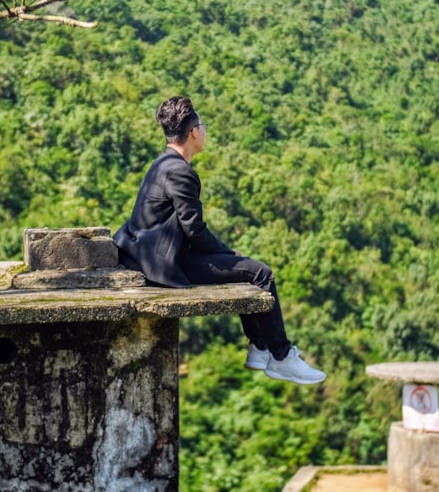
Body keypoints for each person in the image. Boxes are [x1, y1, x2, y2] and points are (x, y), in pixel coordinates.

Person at [113, 95, 326, 385]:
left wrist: (229, 256)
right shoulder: (180, 172)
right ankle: (280, 356)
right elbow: (195, 230)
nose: (205, 131)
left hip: (150, 253)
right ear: (193, 132)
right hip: (162, 264)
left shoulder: (162, 163)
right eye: (203, 125)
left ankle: (259, 348)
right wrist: (230, 255)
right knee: (260, 273)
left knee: (243, 267)